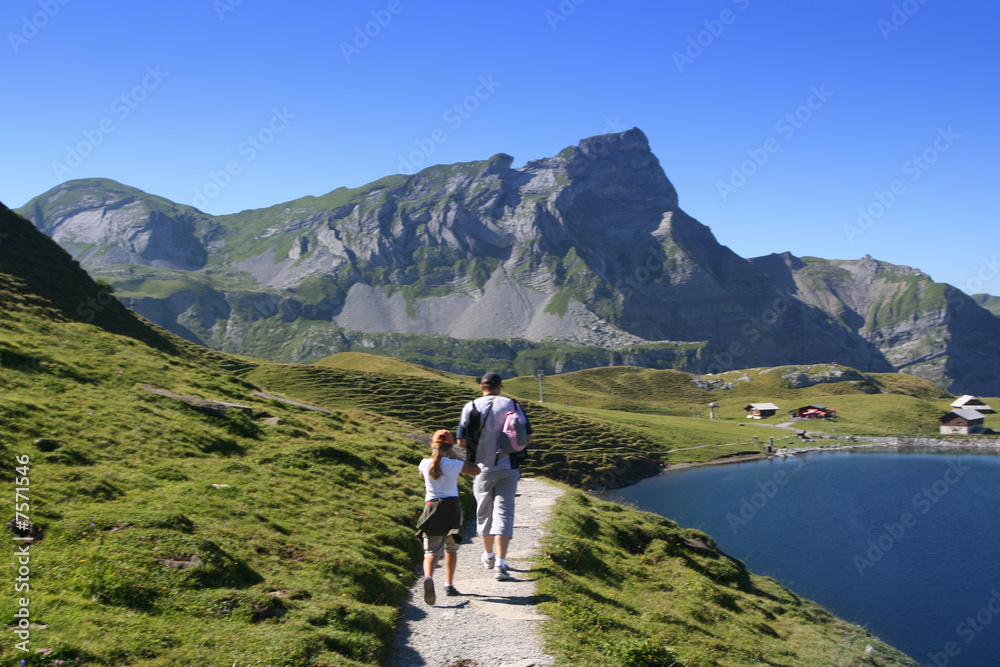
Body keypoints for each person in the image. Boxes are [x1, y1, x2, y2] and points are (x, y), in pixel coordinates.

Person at [456, 372, 532, 581]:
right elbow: (527, 437)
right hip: (508, 468)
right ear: (500, 386)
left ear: (482, 387)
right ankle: (501, 563)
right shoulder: (512, 405)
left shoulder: (470, 406)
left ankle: (488, 555)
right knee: (505, 514)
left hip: (481, 469)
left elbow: (461, 441)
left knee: (484, 513)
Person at [415, 429, 480, 605]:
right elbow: (476, 471)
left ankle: (429, 576)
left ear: (432, 444)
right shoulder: (454, 464)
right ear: (450, 446)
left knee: (431, 551)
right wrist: (456, 458)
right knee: (450, 548)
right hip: (451, 507)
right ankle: (449, 584)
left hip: (431, 508)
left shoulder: (424, 463)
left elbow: (424, 478)